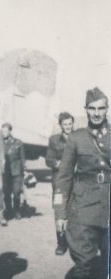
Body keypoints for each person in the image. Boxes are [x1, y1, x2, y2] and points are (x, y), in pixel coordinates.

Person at [54, 87, 109, 279]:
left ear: (107, 109)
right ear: (85, 110)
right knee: (84, 264)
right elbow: (64, 177)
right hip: (83, 209)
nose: (96, 113)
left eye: (101, 108)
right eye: (92, 108)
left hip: (108, 207)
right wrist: (60, 213)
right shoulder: (76, 138)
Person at [45, 112, 74, 255]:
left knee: (76, 212)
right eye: (65, 124)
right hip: (59, 183)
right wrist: (63, 164)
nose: (68, 127)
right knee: (59, 212)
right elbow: (49, 160)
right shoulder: (54, 140)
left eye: (70, 124)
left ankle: (75, 242)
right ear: (61, 125)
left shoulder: (79, 138)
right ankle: (61, 244)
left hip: (76, 182)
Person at [2, 122, 26, 220]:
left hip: (17, 171)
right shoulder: (1, 142)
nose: (4, 133)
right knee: (6, 192)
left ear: (10, 131)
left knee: (16, 192)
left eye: (6, 131)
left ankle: (17, 210)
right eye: (3, 131)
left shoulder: (18, 142)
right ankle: (8, 210)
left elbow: (22, 158)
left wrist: (24, 170)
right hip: (5, 172)